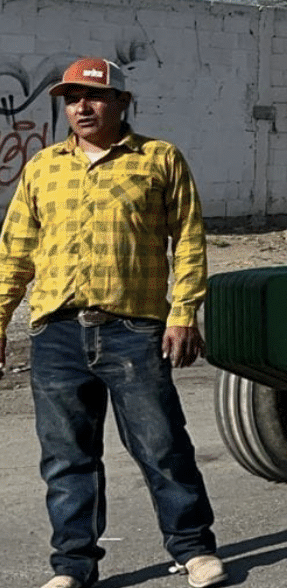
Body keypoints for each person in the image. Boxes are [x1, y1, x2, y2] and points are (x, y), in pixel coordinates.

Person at [0, 58, 227, 588]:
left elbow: (189, 240)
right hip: (55, 332)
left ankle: (193, 549)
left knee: (163, 446)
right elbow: (15, 253)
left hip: (133, 329)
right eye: (71, 98)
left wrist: (183, 311)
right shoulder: (43, 167)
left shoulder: (158, 159)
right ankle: (73, 565)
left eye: (94, 96)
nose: (82, 106)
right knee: (66, 458)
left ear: (122, 102)